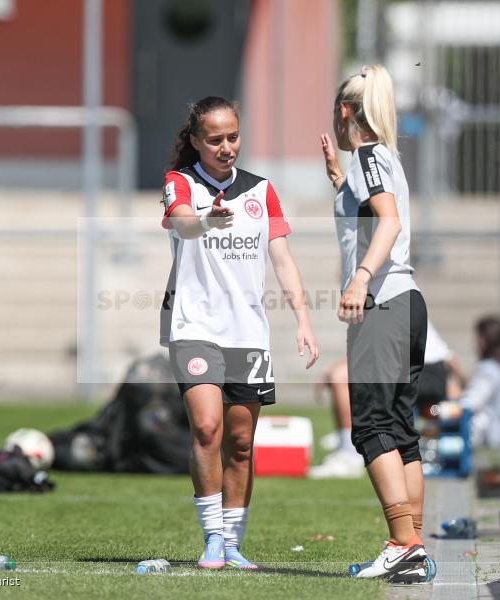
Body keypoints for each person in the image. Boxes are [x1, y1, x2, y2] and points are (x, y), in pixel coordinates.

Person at [161, 96, 319, 570]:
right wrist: (208, 220)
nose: (226, 147)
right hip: (194, 326)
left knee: (243, 443)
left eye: (233, 137)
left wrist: (304, 319)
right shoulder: (180, 182)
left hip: (247, 332)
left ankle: (233, 543)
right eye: (215, 139)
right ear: (195, 141)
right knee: (207, 428)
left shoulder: (262, 190)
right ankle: (211, 538)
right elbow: (183, 224)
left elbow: (282, 259)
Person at [320, 64, 431, 582]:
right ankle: (414, 544)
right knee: (401, 428)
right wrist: (341, 186)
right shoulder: (380, 157)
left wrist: (361, 278)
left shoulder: (367, 155)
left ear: (345, 112)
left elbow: (388, 220)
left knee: (370, 425)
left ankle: (403, 542)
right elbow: (374, 212)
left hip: (384, 302)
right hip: (407, 301)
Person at [309, 320, 464, 479]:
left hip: (422, 371)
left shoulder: (386, 303)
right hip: (424, 369)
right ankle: (351, 440)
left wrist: (331, 369)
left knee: (340, 376)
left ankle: (349, 455)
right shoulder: (398, 301)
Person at [460, 316, 500, 449]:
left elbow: (468, 404)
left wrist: (436, 409)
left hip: (491, 440)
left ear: (484, 341)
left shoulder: (489, 369)